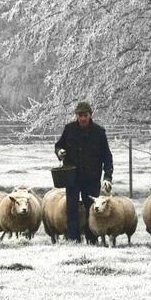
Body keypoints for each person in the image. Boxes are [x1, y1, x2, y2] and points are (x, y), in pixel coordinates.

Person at [54, 101, 113, 243]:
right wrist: (60, 152)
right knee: (71, 208)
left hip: (91, 177)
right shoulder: (69, 129)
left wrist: (107, 176)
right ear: (76, 116)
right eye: (79, 115)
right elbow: (59, 145)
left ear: (90, 115)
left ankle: (92, 238)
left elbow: (107, 156)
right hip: (72, 176)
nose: (82, 118)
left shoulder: (99, 132)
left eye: (85, 115)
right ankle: (73, 239)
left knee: (91, 208)